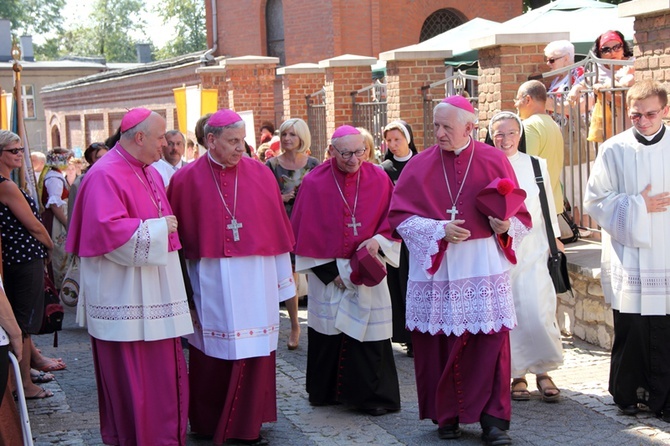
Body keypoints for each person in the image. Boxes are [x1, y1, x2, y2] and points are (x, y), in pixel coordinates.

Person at [388, 96, 532, 445]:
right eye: (435, 125)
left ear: (469, 128)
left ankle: (494, 420)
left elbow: (521, 217)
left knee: (490, 342)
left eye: (446, 127)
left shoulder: (495, 160)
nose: (438, 133)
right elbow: (399, 220)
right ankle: (446, 415)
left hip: (482, 261)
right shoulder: (418, 165)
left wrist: (503, 226)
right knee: (438, 342)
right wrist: (438, 230)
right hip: (437, 268)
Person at [65, 108, 194, 445]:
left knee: (164, 377)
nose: (165, 144)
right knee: (136, 380)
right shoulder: (105, 174)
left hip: (154, 292)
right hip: (124, 296)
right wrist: (157, 228)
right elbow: (105, 231)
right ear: (139, 138)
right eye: (160, 137)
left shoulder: (147, 170)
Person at [167, 109, 295, 445]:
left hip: (256, 277)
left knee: (254, 350)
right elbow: (177, 248)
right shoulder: (184, 179)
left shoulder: (262, 174)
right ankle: (209, 421)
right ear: (211, 140)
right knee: (210, 348)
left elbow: (277, 233)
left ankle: (247, 422)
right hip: (210, 279)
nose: (242, 148)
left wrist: (283, 280)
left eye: (242, 140)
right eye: (233, 141)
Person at [291, 125, 401, 416]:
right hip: (328, 273)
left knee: (369, 333)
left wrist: (377, 243)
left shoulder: (378, 177)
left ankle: (372, 397)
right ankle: (328, 393)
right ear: (331, 152)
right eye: (346, 153)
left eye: (360, 151)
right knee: (330, 332)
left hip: (367, 270)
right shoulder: (314, 182)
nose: (354, 159)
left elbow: (393, 221)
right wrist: (332, 272)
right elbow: (303, 232)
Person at [583, 80, 670, 421]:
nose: (643, 121)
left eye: (650, 114)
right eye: (636, 115)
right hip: (630, 254)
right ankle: (629, 394)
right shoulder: (613, 149)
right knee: (631, 326)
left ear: (665, 110)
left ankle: (665, 398)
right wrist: (638, 206)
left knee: (665, 326)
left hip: (666, 251)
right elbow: (595, 200)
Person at [489, 111, 564, 403]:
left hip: (532, 246)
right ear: (491, 135)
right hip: (499, 247)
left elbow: (547, 203)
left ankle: (544, 371)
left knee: (538, 307)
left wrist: (554, 240)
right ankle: (516, 374)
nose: (505, 139)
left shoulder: (536, 164)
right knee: (510, 310)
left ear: (519, 134)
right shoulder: (486, 165)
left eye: (510, 132)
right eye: (499, 133)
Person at [0, 130, 56, 399]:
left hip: (15, 258)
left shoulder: (8, 183)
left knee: (23, 323)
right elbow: (33, 224)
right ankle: (25, 386)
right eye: (14, 150)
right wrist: (50, 244)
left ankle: (23, 379)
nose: (19, 154)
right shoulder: (6, 185)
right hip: (23, 259)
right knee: (24, 324)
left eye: (21, 149)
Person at [265, 118, 319, 350]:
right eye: (284, 134)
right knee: (290, 275)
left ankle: (317, 323)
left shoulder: (314, 164)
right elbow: (262, 197)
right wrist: (280, 198)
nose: (287, 139)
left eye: (292, 135)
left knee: (314, 272)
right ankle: (295, 325)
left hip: (309, 223)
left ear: (301, 137)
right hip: (282, 224)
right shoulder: (270, 165)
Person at [381, 120, 417, 357]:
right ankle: (404, 335)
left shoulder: (421, 163)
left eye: (397, 139)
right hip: (395, 234)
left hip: (418, 233)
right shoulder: (385, 168)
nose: (393, 145)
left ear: (408, 138)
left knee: (417, 283)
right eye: (389, 140)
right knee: (398, 284)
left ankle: (420, 334)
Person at [568, 30, 635, 142]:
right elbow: (585, 83)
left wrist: (604, 90)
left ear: (623, 48)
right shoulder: (598, 68)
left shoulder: (632, 64)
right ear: (599, 53)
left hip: (629, 118)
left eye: (617, 47)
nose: (612, 52)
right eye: (606, 49)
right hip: (607, 121)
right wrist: (575, 89)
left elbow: (629, 95)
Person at [516, 80, 565, 215]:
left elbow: (526, 166)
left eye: (517, 99)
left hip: (535, 204)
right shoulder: (554, 124)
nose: (515, 104)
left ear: (527, 99)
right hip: (553, 201)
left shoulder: (529, 125)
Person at [38, 147, 73, 290]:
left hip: (57, 218)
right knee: (60, 254)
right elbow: (54, 204)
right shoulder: (54, 177)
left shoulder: (54, 174)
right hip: (56, 221)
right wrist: (67, 223)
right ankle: (58, 287)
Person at [67, 143, 108, 228]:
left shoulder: (116, 178)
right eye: (99, 158)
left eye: (107, 156)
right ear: (91, 161)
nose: (105, 160)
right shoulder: (79, 183)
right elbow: (73, 218)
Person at [544, 40, 585, 115]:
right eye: (547, 60)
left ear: (566, 58)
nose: (548, 63)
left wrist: (550, 105)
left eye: (552, 60)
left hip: (574, 126)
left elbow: (583, 106)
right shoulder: (557, 79)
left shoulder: (580, 74)